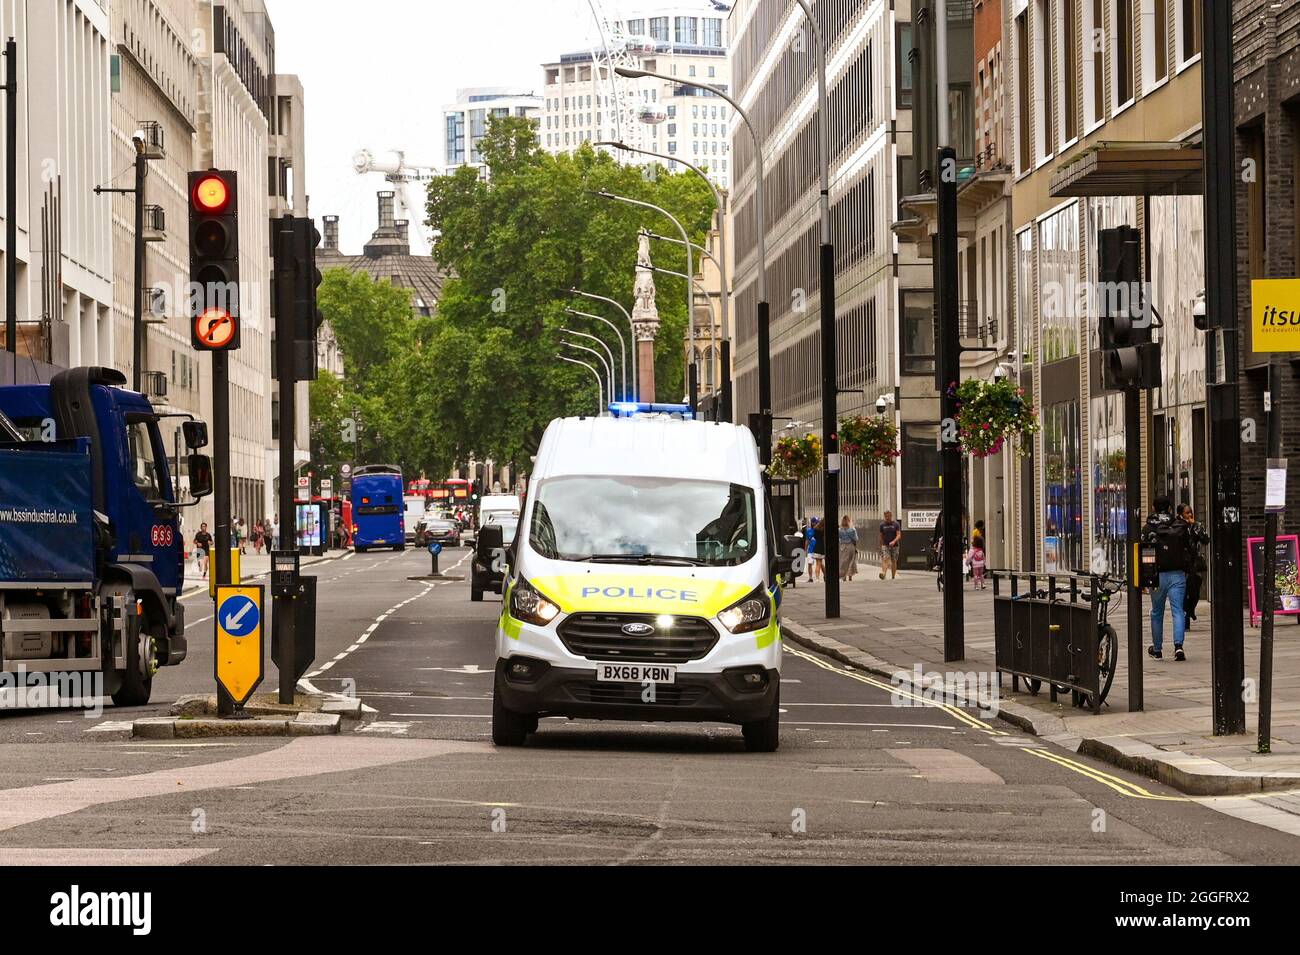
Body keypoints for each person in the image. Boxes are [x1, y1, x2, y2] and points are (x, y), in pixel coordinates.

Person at [1143, 495, 1196, 661]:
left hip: (1156, 575)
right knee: (1178, 611)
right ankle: (1178, 647)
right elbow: (1190, 548)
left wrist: (1145, 577)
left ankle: (1157, 650)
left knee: (1157, 612)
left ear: (1153, 508)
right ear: (1170, 509)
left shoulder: (1148, 528)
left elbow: (1144, 553)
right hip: (1177, 574)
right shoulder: (1179, 525)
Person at [1176, 503, 1210, 627]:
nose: (1190, 515)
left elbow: (1206, 540)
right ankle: (1186, 618)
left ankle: (1190, 610)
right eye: (1187, 513)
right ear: (1180, 514)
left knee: (1195, 591)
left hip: (1194, 563)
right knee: (1184, 592)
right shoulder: (1177, 526)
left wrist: (1196, 528)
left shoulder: (1196, 526)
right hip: (1182, 564)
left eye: (1191, 512)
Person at [879, 510, 902, 580]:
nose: (887, 518)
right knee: (885, 558)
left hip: (895, 545)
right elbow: (881, 536)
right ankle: (883, 574)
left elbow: (899, 535)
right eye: (886, 516)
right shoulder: (882, 525)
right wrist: (881, 545)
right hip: (885, 545)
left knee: (894, 560)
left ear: (891, 516)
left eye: (889, 516)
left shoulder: (896, 524)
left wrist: (894, 541)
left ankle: (893, 576)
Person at [838, 515, 859, 582]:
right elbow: (856, 539)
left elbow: (839, 538)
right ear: (849, 521)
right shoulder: (852, 530)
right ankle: (850, 576)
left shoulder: (839, 530)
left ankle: (843, 576)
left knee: (843, 562)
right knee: (851, 561)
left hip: (842, 547)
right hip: (850, 546)